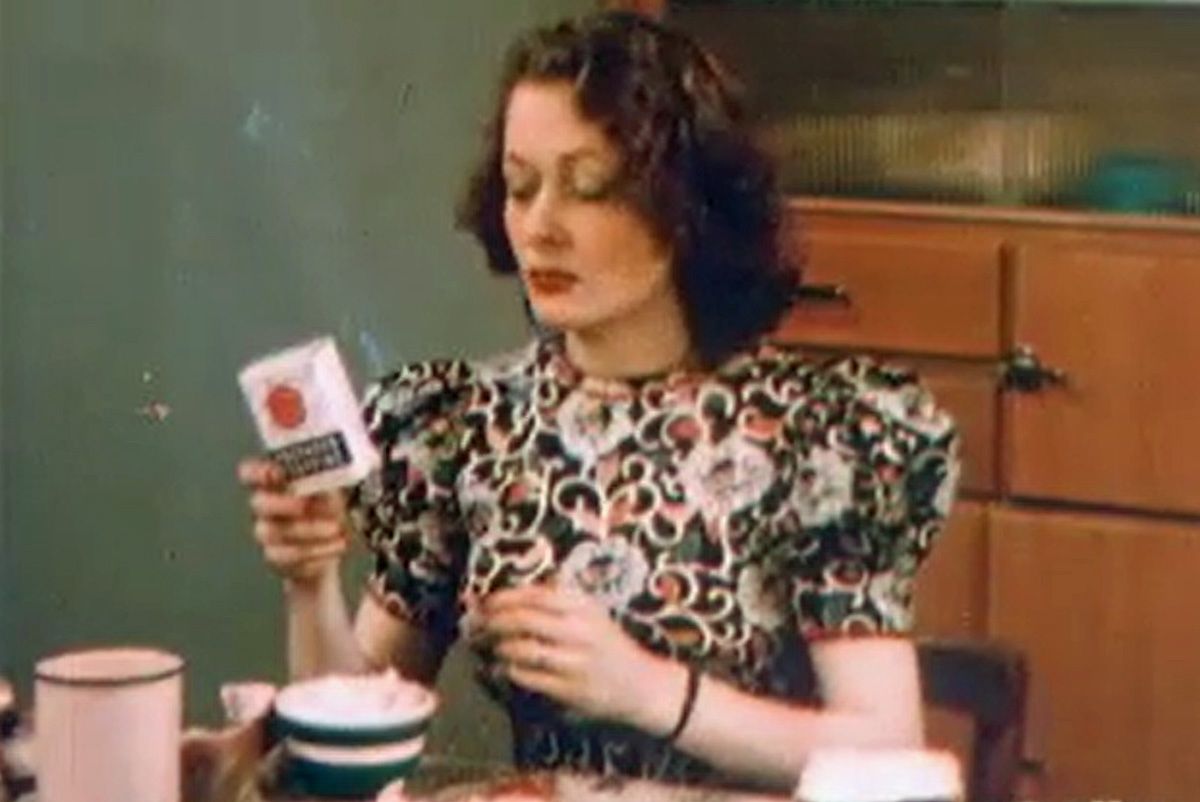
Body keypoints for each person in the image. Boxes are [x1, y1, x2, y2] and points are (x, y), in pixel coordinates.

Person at [238, 11, 959, 792]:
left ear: (684, 210)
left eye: (587, 188)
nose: (539, 227)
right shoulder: (463, 425)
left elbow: (887, 751)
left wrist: (648, 691)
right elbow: (349, 736)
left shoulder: (818, 436)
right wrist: (311, 583)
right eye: (521, 187)